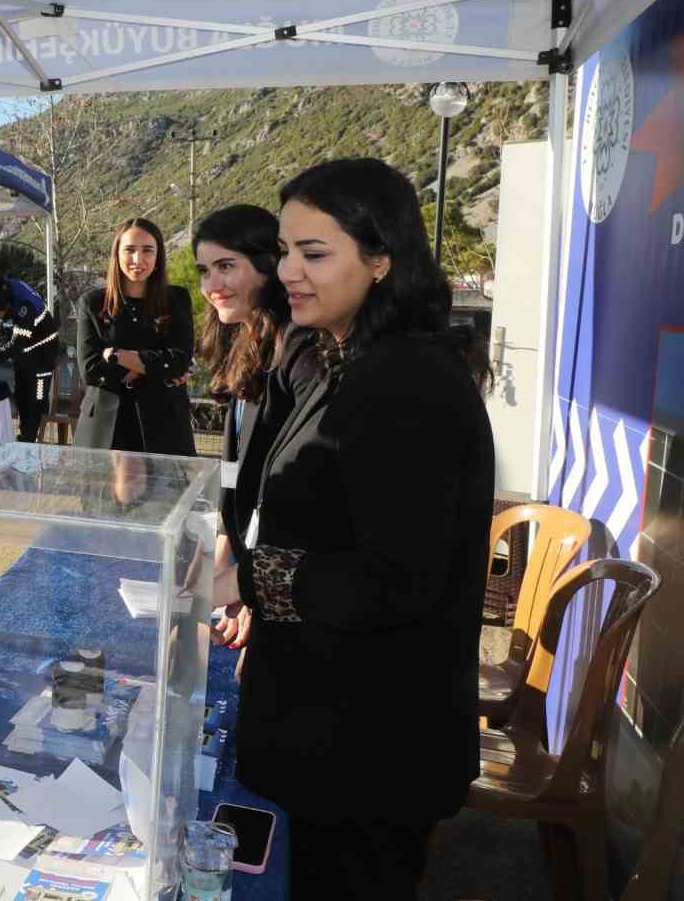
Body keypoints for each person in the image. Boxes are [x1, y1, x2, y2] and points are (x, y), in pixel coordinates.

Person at [213, 158, 493, 900]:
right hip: (325, 728)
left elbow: (395, 581)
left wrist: (248, 580)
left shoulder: (408, 382)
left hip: (370, 751)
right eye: (283, 251)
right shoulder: (336, 356)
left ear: (381, 260)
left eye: (314, 253)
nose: (289, 272)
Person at [191, 205, 315, 660]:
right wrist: (222, 565)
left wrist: (254, 590)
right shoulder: (242, 343)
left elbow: (286, 490)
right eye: (205, 271)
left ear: (268, 265)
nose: (211, 286)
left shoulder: (298, 351)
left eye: (227, 266)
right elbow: (235, 473)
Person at [73, 218, 196, 455]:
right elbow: (90, 370)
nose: (138, 260)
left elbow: (179, 360)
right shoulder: (92, 302)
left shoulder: (177, 299)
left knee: (167, 492)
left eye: (148, 250)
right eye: (129, 250)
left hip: (165, 426)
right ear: (116, 254)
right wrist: (157, 367)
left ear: (158, 255)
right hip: (107, 428)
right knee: (104, 493)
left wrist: (115, 355)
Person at [0, 273, 58, 442]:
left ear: (4, 306)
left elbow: (15, 345)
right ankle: (24, 439)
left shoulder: (25, 307)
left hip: (42, 358)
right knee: (21, 396)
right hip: (26, 356)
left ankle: (30, 443)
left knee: (34, 404)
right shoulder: (9, 288)